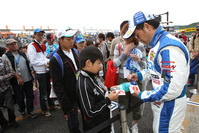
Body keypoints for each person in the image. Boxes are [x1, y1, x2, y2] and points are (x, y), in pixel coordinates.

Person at [123, 11, 189, 133]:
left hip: (170, 105)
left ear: (147, 26)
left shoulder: (168, 47)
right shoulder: (156, 44)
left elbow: (172, 89)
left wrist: (141, 95)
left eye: (138, 35)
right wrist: (138, 75)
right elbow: (152, 69)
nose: (138, 39)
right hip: (162, 103)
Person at [76, 46, 119, 133]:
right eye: (98, 63)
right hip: (96, 127)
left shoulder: (90, 75)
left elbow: (98, 91)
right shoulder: (83, 84)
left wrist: (109, 90)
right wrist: (108, 100)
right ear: (88, 63)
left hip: (103, 122)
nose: (100, 67)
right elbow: (90, 112)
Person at [49, 29, 81, 133]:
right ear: (60, 40)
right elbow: (57, 84)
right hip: (69, 96)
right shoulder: (55, 59)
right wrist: (66, 103)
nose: (72, 41)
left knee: (85, 116)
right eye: (68, 39)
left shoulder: (74, 51)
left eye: (72, 38)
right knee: (73, 122)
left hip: (80, 91)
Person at [113, 22, 142, 133]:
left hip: (136, 78)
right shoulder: (118, 46)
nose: (126, 39)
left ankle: (135, 124)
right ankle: (123, 125)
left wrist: (138, 60)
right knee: (122, 103)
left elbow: (145, 65)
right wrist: (125, 52)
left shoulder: (140, 46)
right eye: (124, 36)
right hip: (122, 78)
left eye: (129, 36)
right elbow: (115, 64)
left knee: (137, 102)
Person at [3, 38, 37, 118]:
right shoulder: (6, 56)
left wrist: (31, 70)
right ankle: (21, 110)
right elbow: (10, 69)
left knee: (30, 96)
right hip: (17, 81)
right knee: (20, 97)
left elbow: (28, 63)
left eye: (15, 43)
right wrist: (18, 78)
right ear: (8, 46)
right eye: (12, 44)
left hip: (28, 78)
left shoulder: (22, 53)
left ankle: (30, 111)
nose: (15, 45)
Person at [27, 28, 51, 117]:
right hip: (40, 71)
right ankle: (44, 110)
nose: (40, 36)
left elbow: (44, 57)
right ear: (34, 35)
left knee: (49, 89)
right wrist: (46, 62)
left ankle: (51, 104)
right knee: (43, 91)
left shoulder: (42, 45)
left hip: (46, 70)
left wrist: (49, 61)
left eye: (42, 35)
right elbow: (33, 61)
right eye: (38, 35)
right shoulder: (31, 46)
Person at [0, 44, 18, 133]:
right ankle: (3, 123)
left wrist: (2, 78)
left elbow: (11, 73)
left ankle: (12, 120)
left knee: (9, 105)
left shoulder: (4, 59)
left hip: (5, 87)